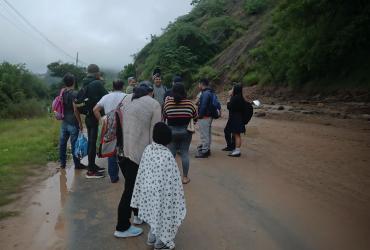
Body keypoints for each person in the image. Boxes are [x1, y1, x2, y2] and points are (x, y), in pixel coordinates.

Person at [114, 84, 162, 238]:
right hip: (138, 154)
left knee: (134, 186)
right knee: (131, 190)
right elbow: (156, 134)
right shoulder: (153, 104)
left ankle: (138, 215)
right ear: (151, 92)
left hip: (121, 151)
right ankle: (122, 227)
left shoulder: (126, 99)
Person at [131, 122, 186, 250]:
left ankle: (152, 237)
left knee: (153, 213)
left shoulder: (148, 149)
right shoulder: (167, 156)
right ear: (168, 139)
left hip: (148, 192)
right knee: (162, 215)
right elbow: (173, 180)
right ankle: (161, 242)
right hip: (161, 193)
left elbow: (142, 172)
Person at [163, 83, 198, 184]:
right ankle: (185, 177)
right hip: (185, 132)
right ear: (184, 91)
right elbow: (195, 117)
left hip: (171, 132)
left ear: (173, 92)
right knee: (184, 154)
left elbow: (164, 117)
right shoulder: (189, 104)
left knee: (171, 154)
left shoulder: (168, 104)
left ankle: (169, 178)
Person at [93, 80, 126, 183]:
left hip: (109, 126)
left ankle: (113, 177)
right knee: (123, 150)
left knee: (111, 150)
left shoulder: (106, 97)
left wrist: (102, 121)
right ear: (123, 86)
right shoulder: (126, 96)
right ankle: (127, 175)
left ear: (113, 86)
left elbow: (95, 110)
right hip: (123, 126)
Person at [81, 64, 108, 179]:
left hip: (88, 117)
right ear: (97, 73)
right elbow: (106, 96)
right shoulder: (97, 83)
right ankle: (91, 171)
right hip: (95, 116)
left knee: (91, 143)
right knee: (93, 143)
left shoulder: (84, 83)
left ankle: (92, 165)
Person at [59, 73, 85, 169]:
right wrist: (80, 123)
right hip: (73, 122)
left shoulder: (62, 92)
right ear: (74, 81)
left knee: (62, 144)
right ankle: (77, 165)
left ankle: (62, 163)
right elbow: (75, 109)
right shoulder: (75, 93)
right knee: (74, 145)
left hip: (64, 122)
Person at [224, 84, 247, 157]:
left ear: (235, 90)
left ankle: (237, 151)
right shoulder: (240, 98)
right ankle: (235, 149)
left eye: (232, 89)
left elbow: (229, 107)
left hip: (236, 118)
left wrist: (228, 101)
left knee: (237, 135)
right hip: (239, 118)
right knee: (236, 134)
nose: (231, 90)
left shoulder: (235, 98)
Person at [195, 78, 214, 158]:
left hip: (205, 116)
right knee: (207, 134)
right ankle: (207, 149)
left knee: (204, 135)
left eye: (199, 84)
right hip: (209, 116)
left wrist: (199, 116)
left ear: (201, 84)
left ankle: (205, 151)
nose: (198, 85)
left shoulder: (205, 93)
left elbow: (203, 106)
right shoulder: (210, 92)